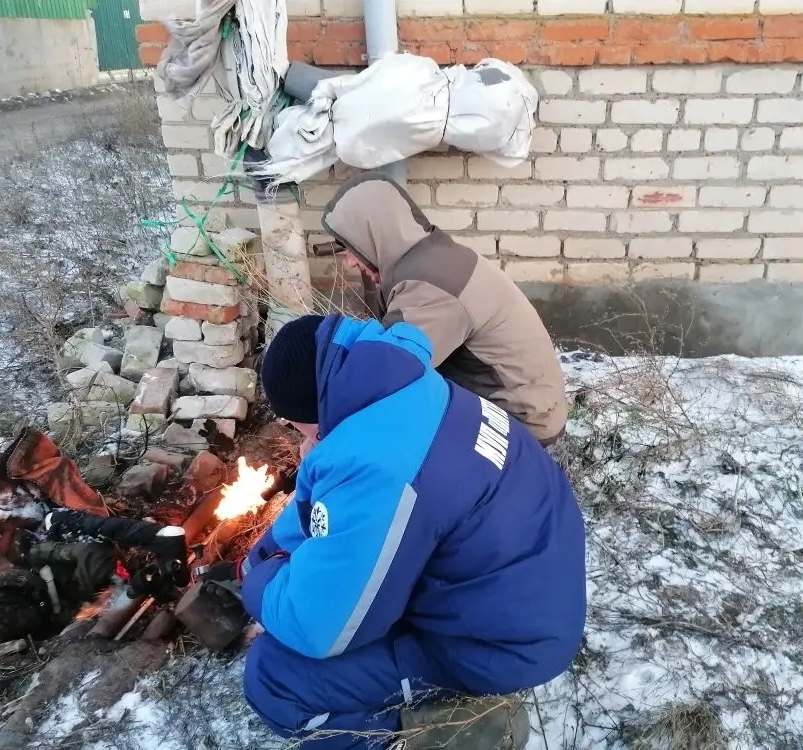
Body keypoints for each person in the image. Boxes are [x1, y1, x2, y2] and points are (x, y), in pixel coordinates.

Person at [220, 312, 587, 750]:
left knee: (276, 676)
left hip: (499, 646)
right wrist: (267, 552)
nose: (295, 432)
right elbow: (333, 514)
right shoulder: (409, 391)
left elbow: (320, 630)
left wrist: (258, 583)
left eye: (292, 422)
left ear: (309, 415)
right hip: (518, 599)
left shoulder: (375, 464)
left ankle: (453, 733)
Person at [318, 171, 568, 447]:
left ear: (375, 236)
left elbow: (387, 379)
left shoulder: (429, 286)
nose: (350, 264)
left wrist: (324, 433)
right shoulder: (427, 258)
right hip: (517, 400)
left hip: (522, 422)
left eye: (352, 249)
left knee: (389, 446)